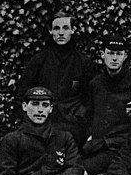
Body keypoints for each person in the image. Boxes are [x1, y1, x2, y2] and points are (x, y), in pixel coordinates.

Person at [16, 11, 95, 149]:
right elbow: (23, 93)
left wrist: (80, 115)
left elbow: (91, 98)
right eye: (56, 28)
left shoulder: (83, 62)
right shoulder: (39, 61)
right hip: (43, 122)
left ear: (72, 30)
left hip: (73, 125)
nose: (61, 33)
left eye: (65, 28)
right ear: (50, 31)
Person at [82, 35, 131, 175]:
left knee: (82, 171)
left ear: (125, 56)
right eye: (110, 53)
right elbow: (88, 117)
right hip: (97, 146)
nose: (114, 58)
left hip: (126, 149)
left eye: (118, 54)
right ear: (103, 55)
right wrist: (90, 136)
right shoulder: (95, 84)